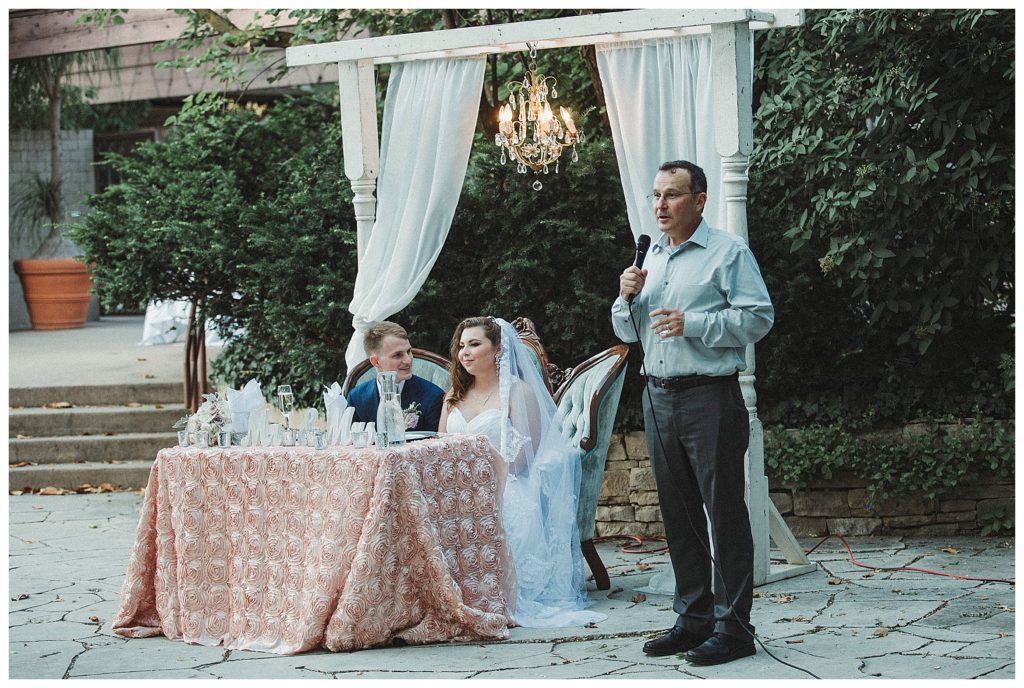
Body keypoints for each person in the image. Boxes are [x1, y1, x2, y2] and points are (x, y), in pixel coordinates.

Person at [612, 160, 774, 666]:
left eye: (672, 195)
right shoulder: (649, 258)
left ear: (699, 200)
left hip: (709, 396)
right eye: (656, 195)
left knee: (722, 511)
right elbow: (626, 331)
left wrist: (695, 323)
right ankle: (693, 618)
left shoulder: (727, 253)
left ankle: (734, 628)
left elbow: (758, 316)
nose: (660, 205)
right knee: (679, 515)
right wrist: (624, 298)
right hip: (657, 395)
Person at [439, 316, 606, 629]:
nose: (466, 352)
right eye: (461, 346)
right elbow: (440, 448)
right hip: (457, 486)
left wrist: (482, 480)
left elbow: (522, 459)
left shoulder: (520, 393)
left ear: (498, 348)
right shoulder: (453, 396)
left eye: (475, 344)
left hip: (507, 483)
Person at [346, 321, 444, 432]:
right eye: (397, 355)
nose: (408, 360)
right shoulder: (356, 397)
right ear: (375, 362)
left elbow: (435, 446)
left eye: (409, 351)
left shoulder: (433, 396)